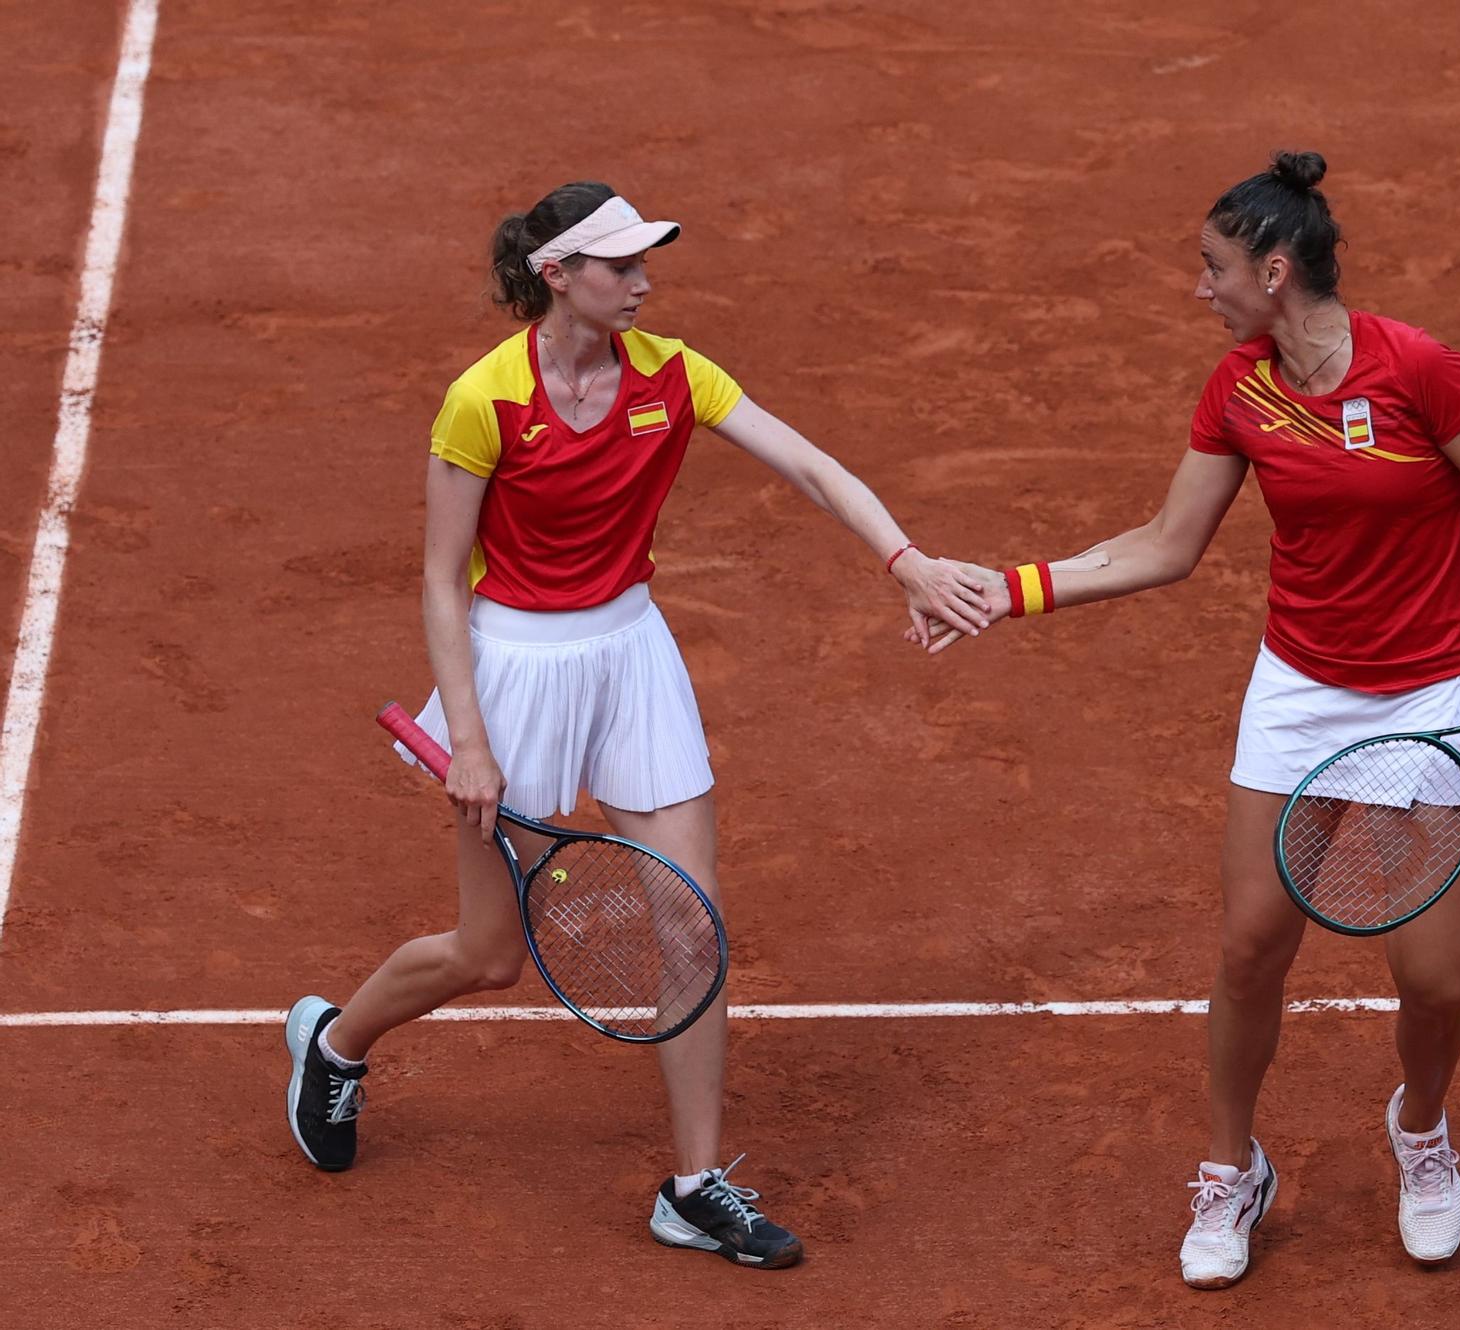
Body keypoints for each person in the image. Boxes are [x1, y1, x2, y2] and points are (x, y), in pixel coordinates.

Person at [282, 181, 993, 1269]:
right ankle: (334, 1044)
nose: (644, 282)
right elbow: (437, 581)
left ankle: (696, 1184)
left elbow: (808, 463)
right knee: (488, 955)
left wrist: (904, 558)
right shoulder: (482, 398)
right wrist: (469, 739)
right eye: (620, 267)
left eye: (646, 262)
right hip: (511, 664)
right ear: (557, 275)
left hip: (629, 656)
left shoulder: (673, 373)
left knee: (692, 925)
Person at [915, 150, 1460, 1287]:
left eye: (1212, 269)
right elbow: (1166, 545)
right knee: (1251, 945)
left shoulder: (1420, 372)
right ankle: (1229, 1168)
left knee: (1434, 982)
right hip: (1302, 692)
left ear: (1273, 270)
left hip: (1437, 695)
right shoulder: (1238, 392)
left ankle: (1419, 1130)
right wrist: (1006, 591)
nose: (1198, 289)